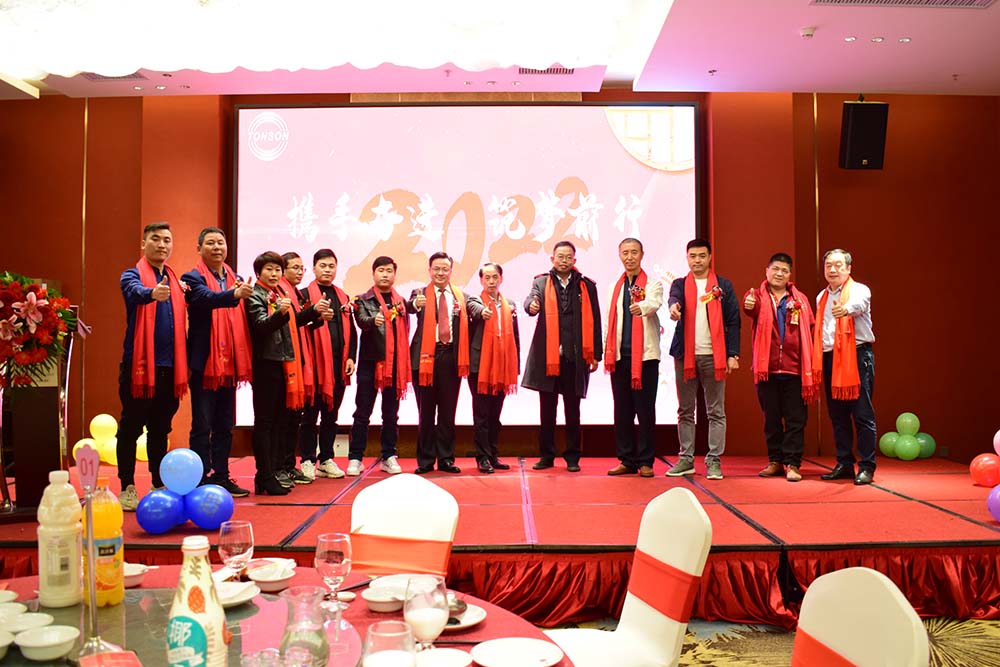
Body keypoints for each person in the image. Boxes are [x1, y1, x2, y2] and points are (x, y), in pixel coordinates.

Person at [115, 222, 188, 511]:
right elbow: (133, 291)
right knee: (130, 428)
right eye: (155, 239)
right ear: (143, 244)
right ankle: (127, 486)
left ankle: (158, 483)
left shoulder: (175, 280)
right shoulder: (132, 275)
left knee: (160, 430)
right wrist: (151, 294)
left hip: (170, 369)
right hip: (139, 368)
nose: (162, 244)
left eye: (167, 240)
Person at [180, 227, 254, 497]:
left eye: (220, 243)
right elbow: (204, 299)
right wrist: (234, 295)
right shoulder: (192, 278)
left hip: (230, 363)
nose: (216, 247)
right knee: (202, 424)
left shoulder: (237, 279)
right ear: (199, 248)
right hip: (204, 363)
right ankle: (199, 478)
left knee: (225, 424)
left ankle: (222, 476)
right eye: (210, 243)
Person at [522, 241, 602, 473]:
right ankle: (546, 456)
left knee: (573, 411)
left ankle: (573, 457)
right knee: (547, 411)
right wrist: (531, 306)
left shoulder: (586, 286)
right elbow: (530, 300)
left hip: (575, 359)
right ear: (552, 259)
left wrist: (596, 354)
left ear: (574, 260)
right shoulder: (541, 282)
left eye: (568, 257)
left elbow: (596, 319)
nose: (564, 260)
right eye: (560, 256)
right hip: (549, 358)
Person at [665, 238, 740, 481]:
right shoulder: (679, 283)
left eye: (701, 256)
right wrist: (674, 307)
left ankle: (714, 460)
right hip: (685, 356)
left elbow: (733, 321)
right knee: (685, 410)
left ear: (709, 257)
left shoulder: (723, 286)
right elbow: (674, 298)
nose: (697, 260)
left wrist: (733, 354)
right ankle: (686, 459)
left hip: (714, 357)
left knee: (716, 412)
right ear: (687, 258)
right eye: (692, 256)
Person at [742, 253, 818, 483]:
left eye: (784, 270)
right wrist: (748, 304)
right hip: (767, 370)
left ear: (789, 275)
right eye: (775, 269)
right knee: (772, 419)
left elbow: (811, 326)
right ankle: (775, 461)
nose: (779, 274)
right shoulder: (756, 296)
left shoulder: (800, 299)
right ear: (767, 271)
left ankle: (793, 463)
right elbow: (750, 308)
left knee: (796, 420)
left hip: (795, 370)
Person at [409, 252, 484, 474]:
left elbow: (475, 309)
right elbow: (410, 306)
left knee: (447, 413)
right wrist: (415, 304)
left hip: (450, 357)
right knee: (425, 414)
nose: (440, 273)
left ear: (451, 271)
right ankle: (425, 460)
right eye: (436, 269)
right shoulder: (419, 294)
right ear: (429, 270)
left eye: (445, 269)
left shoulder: (461, 297)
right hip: (424, 360)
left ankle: (446, 459)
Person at [244, 251, 311, 495]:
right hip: (265, 364)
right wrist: (280, 314)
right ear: (258, 272)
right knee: (264, 423)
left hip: (282, 362)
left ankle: (270, 473)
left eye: (277, 270)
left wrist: (313, 312)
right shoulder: (255, 295)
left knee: (279, 422)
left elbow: (292, 323)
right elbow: (260, 327)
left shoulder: (278, 294)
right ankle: (264, 475)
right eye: (269, 269)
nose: (274, 274)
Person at [815, 249, 877, 485]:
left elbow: (858, 305)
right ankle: (844, 463)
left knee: (862, 414)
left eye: (838, 265)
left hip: (857, 356)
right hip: (831, 358)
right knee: (837, 415)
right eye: (828, 265)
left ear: (848, 268)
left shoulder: (859, 289)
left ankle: (867, 466)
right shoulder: (821, 297)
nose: (833, 270)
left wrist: (845, 310)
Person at [348, 256, 411, 475]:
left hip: (394, 366)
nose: (385, 274)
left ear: (394, 274)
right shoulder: (362, 300)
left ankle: (389, 455)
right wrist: (372, 321)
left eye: (389, 271)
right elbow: (361, 321)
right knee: (362, 413)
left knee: (391, 414)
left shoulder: (400, 301)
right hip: (370, 362)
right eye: (381, 270)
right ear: (374, 274)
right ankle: (355, 457)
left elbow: (411, 311)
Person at [604, 238, 663, 478]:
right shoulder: (614, 287)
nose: (629, 257)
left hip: (645, 359)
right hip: (620, 357)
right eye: (625, 253)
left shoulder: (653, 284)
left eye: (634, 252)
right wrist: (605, 351)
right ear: (620, 255)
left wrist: (642, 307)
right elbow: (609, 323)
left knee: (645, 411)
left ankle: (646, 461)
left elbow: (654, 303)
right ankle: (626, 460)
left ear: (642, 254)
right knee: (622, 411)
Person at [299, 250, 358, 480]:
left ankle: (326, 459)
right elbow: (299, 328)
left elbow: (352, 331)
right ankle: (306, 460)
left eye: (331, 266)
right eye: (323, 265)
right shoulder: (304, 295)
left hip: (338, 365)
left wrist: (351, 356)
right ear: (314, 268)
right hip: (313, 366)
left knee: (331, 415)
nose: (327, 270)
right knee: (309, 416)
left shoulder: (343, 296)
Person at [277, 251, 325, 486]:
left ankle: (288, 465)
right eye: (294, 268)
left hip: (298, 358)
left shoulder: (295, 293)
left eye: (301, 268)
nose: (299, 272)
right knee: (283, 419)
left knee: (294, 418)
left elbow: (300, 324)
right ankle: (279, 467)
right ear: (283, 270)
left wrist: (318, 318)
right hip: (284, 361)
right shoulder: (280, 292)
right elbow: (291, 321)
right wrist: (314, 311)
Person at [468, 262, 520, 474]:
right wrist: (483, 311)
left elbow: (515, 337)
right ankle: (482, 457)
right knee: (481, 414)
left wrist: (515, 366)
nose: (491, 281)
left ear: (501, 279)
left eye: (495, 277)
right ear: (481, 280)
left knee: (495, 414)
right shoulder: (474, 300)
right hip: (480, 366)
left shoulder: (509, 304)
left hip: (502, 366)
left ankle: (492, 455)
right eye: (487, 278)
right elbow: (475, 310)